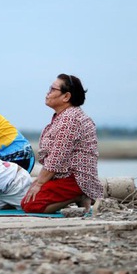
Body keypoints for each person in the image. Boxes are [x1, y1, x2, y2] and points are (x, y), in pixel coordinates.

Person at [21, 74, 103, 214]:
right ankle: (75, 197)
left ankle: (79, 195)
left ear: (66, 97)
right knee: (27, 199)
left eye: (52, 89)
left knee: (31, 205)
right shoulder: (64, 116)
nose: (48, 93)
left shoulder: (70, 119)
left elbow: (57, 158)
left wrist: (40, 183)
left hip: (76, 177)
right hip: (63, 175)